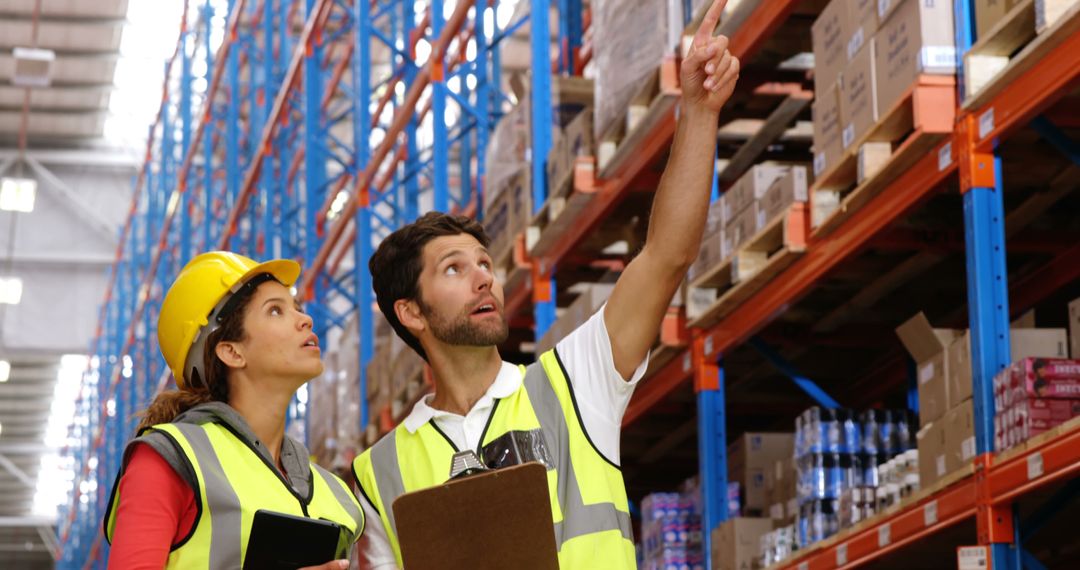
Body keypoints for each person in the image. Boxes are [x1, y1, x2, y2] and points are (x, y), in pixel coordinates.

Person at [352, 0, 739, 567]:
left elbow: (665, 256)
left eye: (484, 263)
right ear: (410, 313)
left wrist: (699, 112)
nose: (484, 277)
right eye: (454, 269)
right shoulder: (379, 472)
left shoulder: (575, 383)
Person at [103, 252, 364, 569]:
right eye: (276, 311)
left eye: (296, 307)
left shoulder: (336, 494)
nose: (304, 319)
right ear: (231, 351)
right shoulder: (171, 459)